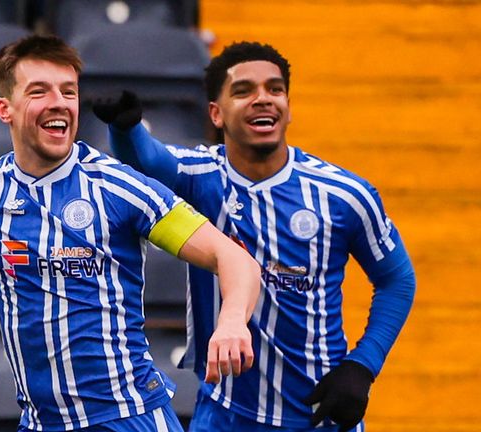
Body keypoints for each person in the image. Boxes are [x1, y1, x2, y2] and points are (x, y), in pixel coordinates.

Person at [0, 32, 262, 432]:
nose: (59, 103)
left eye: (69, 92)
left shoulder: (118, 187)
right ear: (5, 109)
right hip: (41, 423)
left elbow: (232, 258)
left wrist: (231, 322)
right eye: (39, 91)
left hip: (127, 419)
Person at [93, 41, 416, 432]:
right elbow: (148, 160)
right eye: (244, 91)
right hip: (225, 415)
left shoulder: (343, 194)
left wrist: (362, 367)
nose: (264, 99)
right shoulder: (201, 177)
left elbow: (397, 279)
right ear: (215, 113)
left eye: (275, 89)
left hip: (320, 415)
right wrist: (125, 126)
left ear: (288, 106)